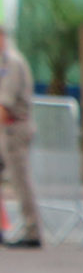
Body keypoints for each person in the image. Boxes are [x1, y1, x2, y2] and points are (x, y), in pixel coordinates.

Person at [0, 22, 41, 248]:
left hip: (16, 129)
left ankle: (32, 231)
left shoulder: (12, 63)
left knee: (20, 181)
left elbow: (4, 106)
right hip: (7, 130)